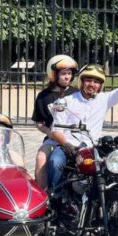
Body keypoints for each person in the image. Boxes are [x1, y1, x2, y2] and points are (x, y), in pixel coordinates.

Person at [48, 57, 118, 197]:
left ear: (101, 85)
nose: (92, 84)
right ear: (81, 81)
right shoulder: (65, 102)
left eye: (97, 82)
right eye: (88, 80)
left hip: (93, 147)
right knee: (55, 161)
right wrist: (68, 145)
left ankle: (115, 195)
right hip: (69, 147)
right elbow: (56, 131)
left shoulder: (104, 99)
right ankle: (56, 196)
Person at [31, 54, 78, 187]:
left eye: (69, 73)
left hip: (75, 136)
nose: (67, 76)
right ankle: (44, 194)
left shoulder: (77, 93)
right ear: (54, 75)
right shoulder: (43, 96)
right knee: (41, 158)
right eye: (63, 73)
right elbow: (39, 123)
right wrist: (49, 132)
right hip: (53, 138)